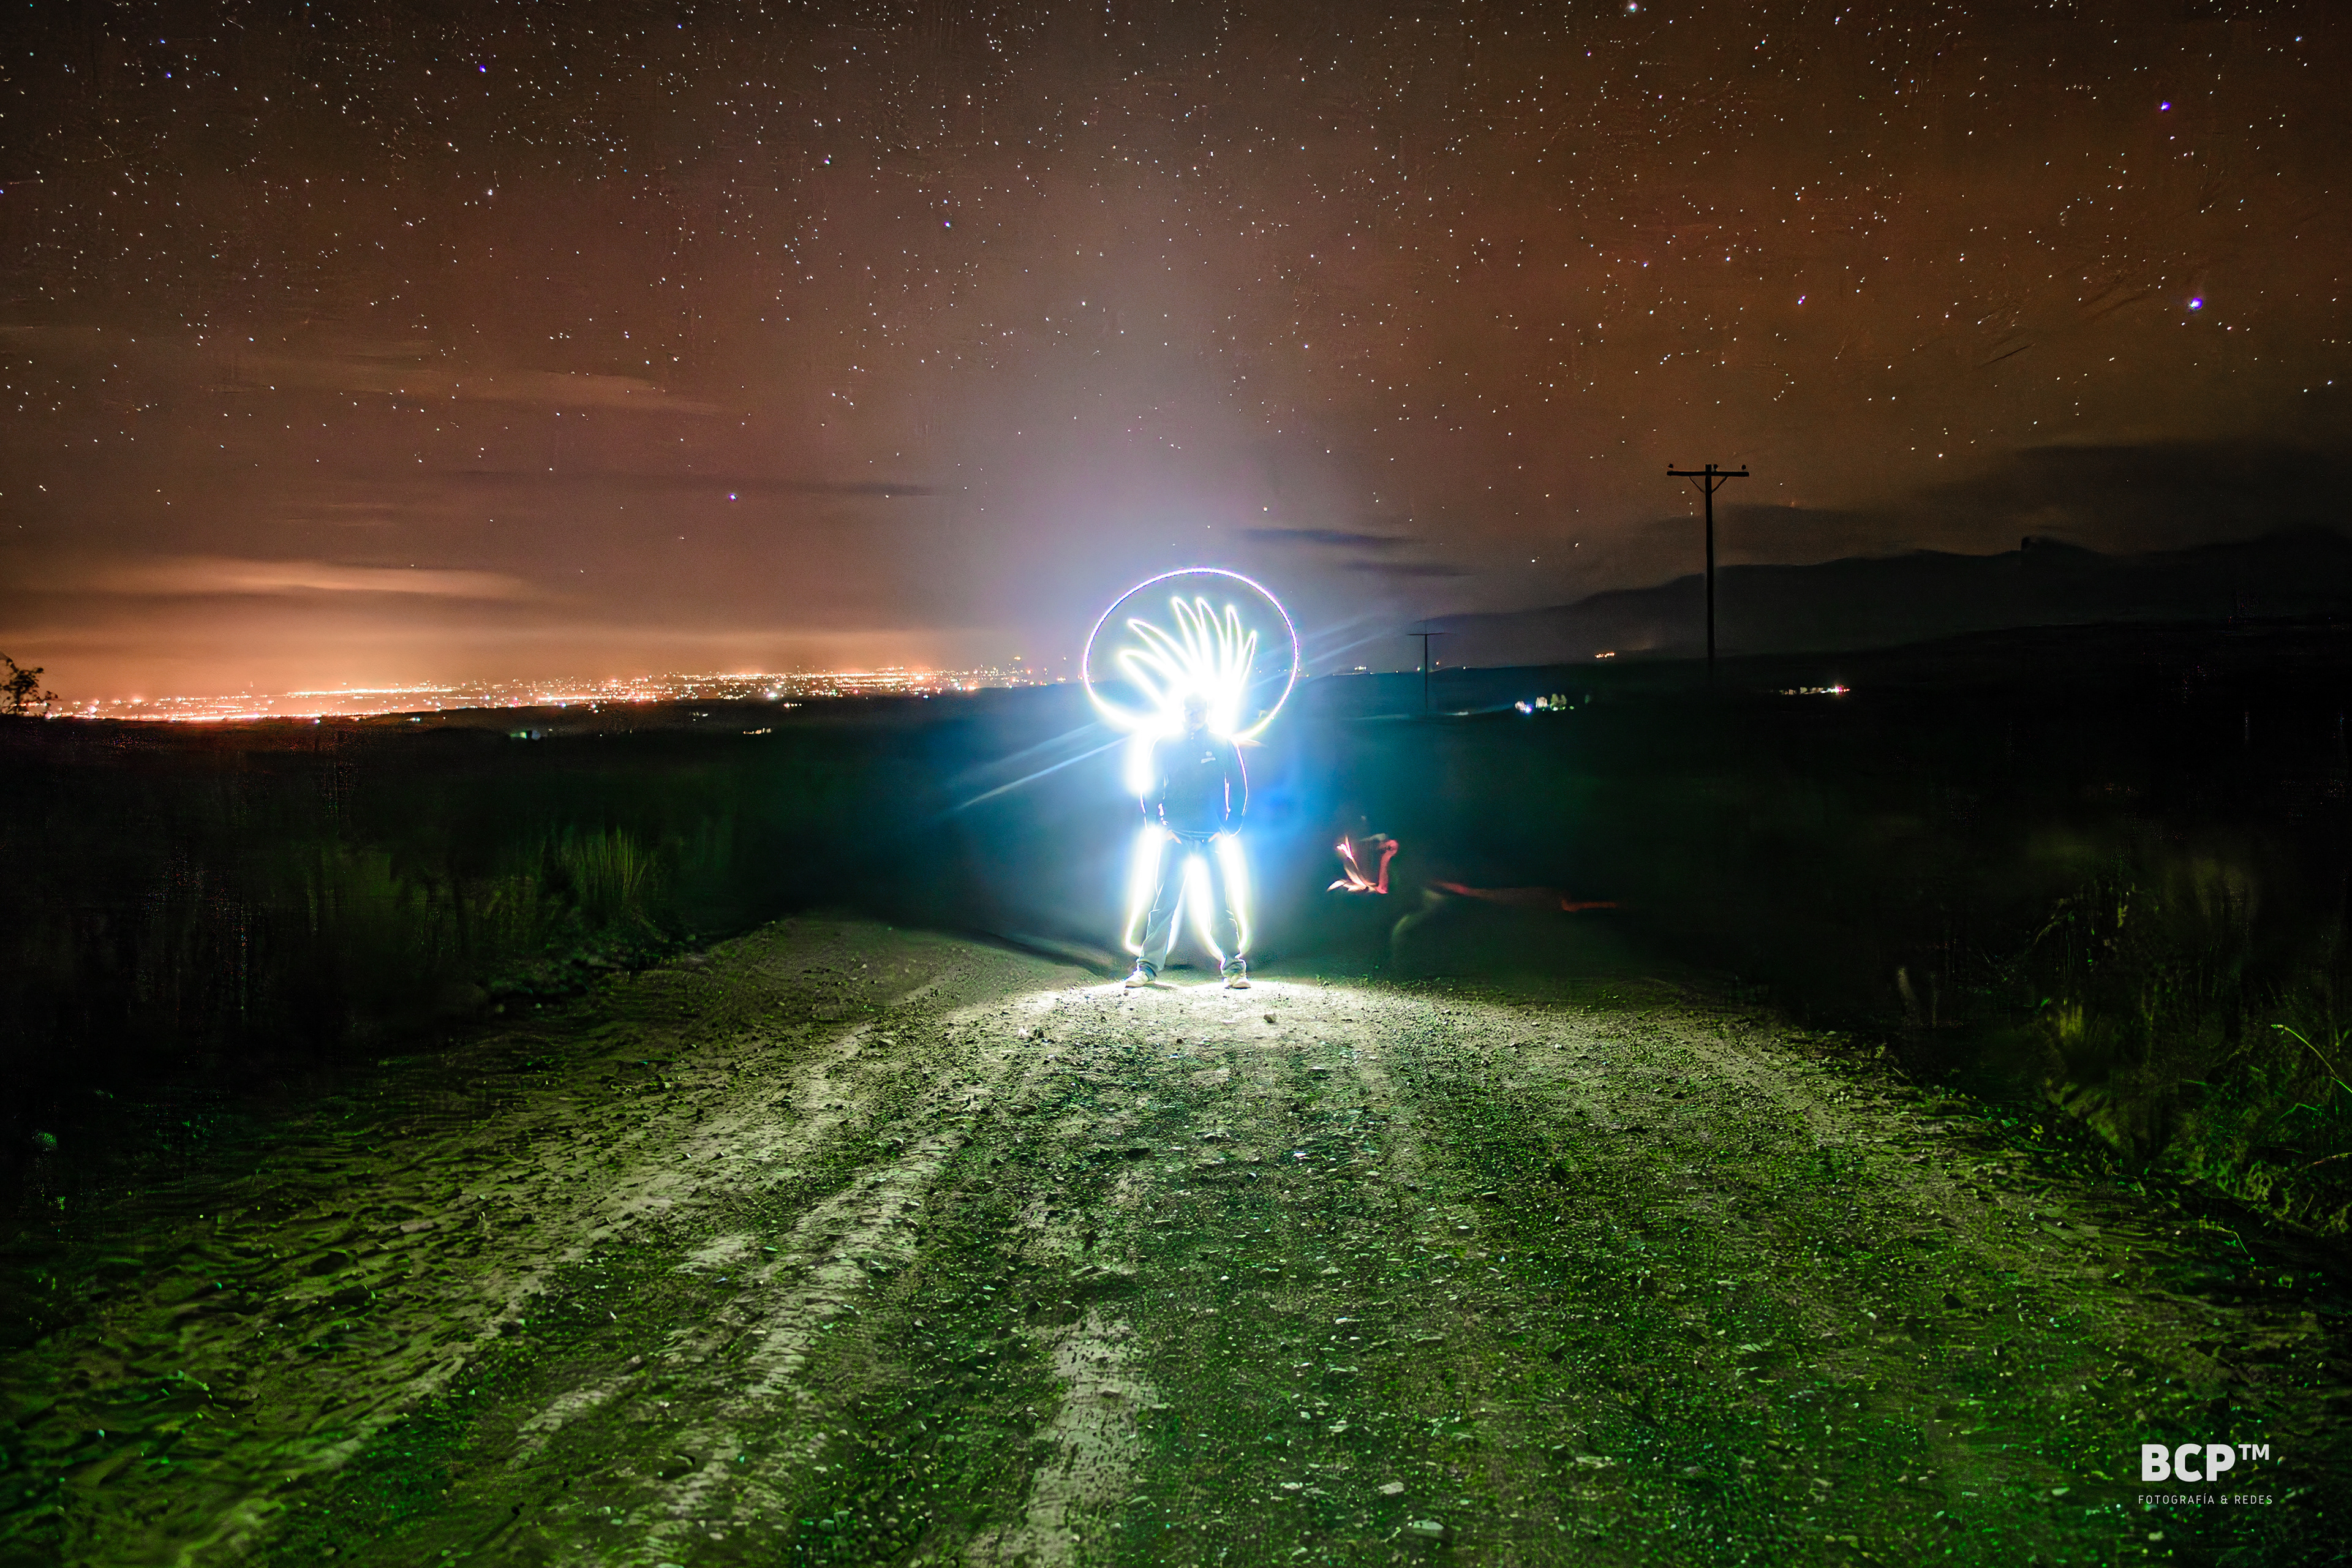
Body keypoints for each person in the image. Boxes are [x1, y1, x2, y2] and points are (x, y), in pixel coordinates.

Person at [1126, 691, 1250, 989]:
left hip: (1211, 837)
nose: (1193, 715)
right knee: (1163, 905)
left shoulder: (1222, 743)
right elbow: (1150, 788)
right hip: (1177, 835)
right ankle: (1147, 969)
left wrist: (1230, 828)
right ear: (1180, 711)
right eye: (1188, 710)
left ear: (1207, 711)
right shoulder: (1165, 744)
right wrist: (1161, 828)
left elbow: (1240, 786)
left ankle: (1234, 969)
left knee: (1220, 906)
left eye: (1198, 710)